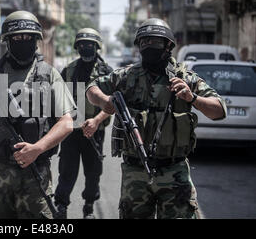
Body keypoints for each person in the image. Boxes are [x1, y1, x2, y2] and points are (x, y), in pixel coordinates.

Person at [86, 18, 227, 219]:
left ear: (168, 45)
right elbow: (91, 88)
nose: (149, 46)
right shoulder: (127, 76)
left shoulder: (185, 78)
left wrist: (192, 97)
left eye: (155, 42)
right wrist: (104, 101)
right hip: (135, 171)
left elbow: (219, 110)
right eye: (144, 42)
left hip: (174, 171)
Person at [0, 11, 76, 219]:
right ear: (7, 41)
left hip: (35, 171)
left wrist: (37, 149)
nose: (23, 41)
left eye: (28, 37)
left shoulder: (48, 74)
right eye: (17, 37)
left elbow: (67, 123)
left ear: (36, 41)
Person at [54, 28, 113, 219]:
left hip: (95, 131)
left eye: (89, 44)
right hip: (71, 131)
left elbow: (113, 105)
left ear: (96, 47)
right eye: (82, 44)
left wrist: (96, 121)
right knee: (67, 170)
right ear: (77, 47)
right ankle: (61, 206)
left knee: (93, 172)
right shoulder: (69, 70)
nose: (85, 47)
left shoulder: (107, 73)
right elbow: (58, 99)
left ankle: (88, 207)